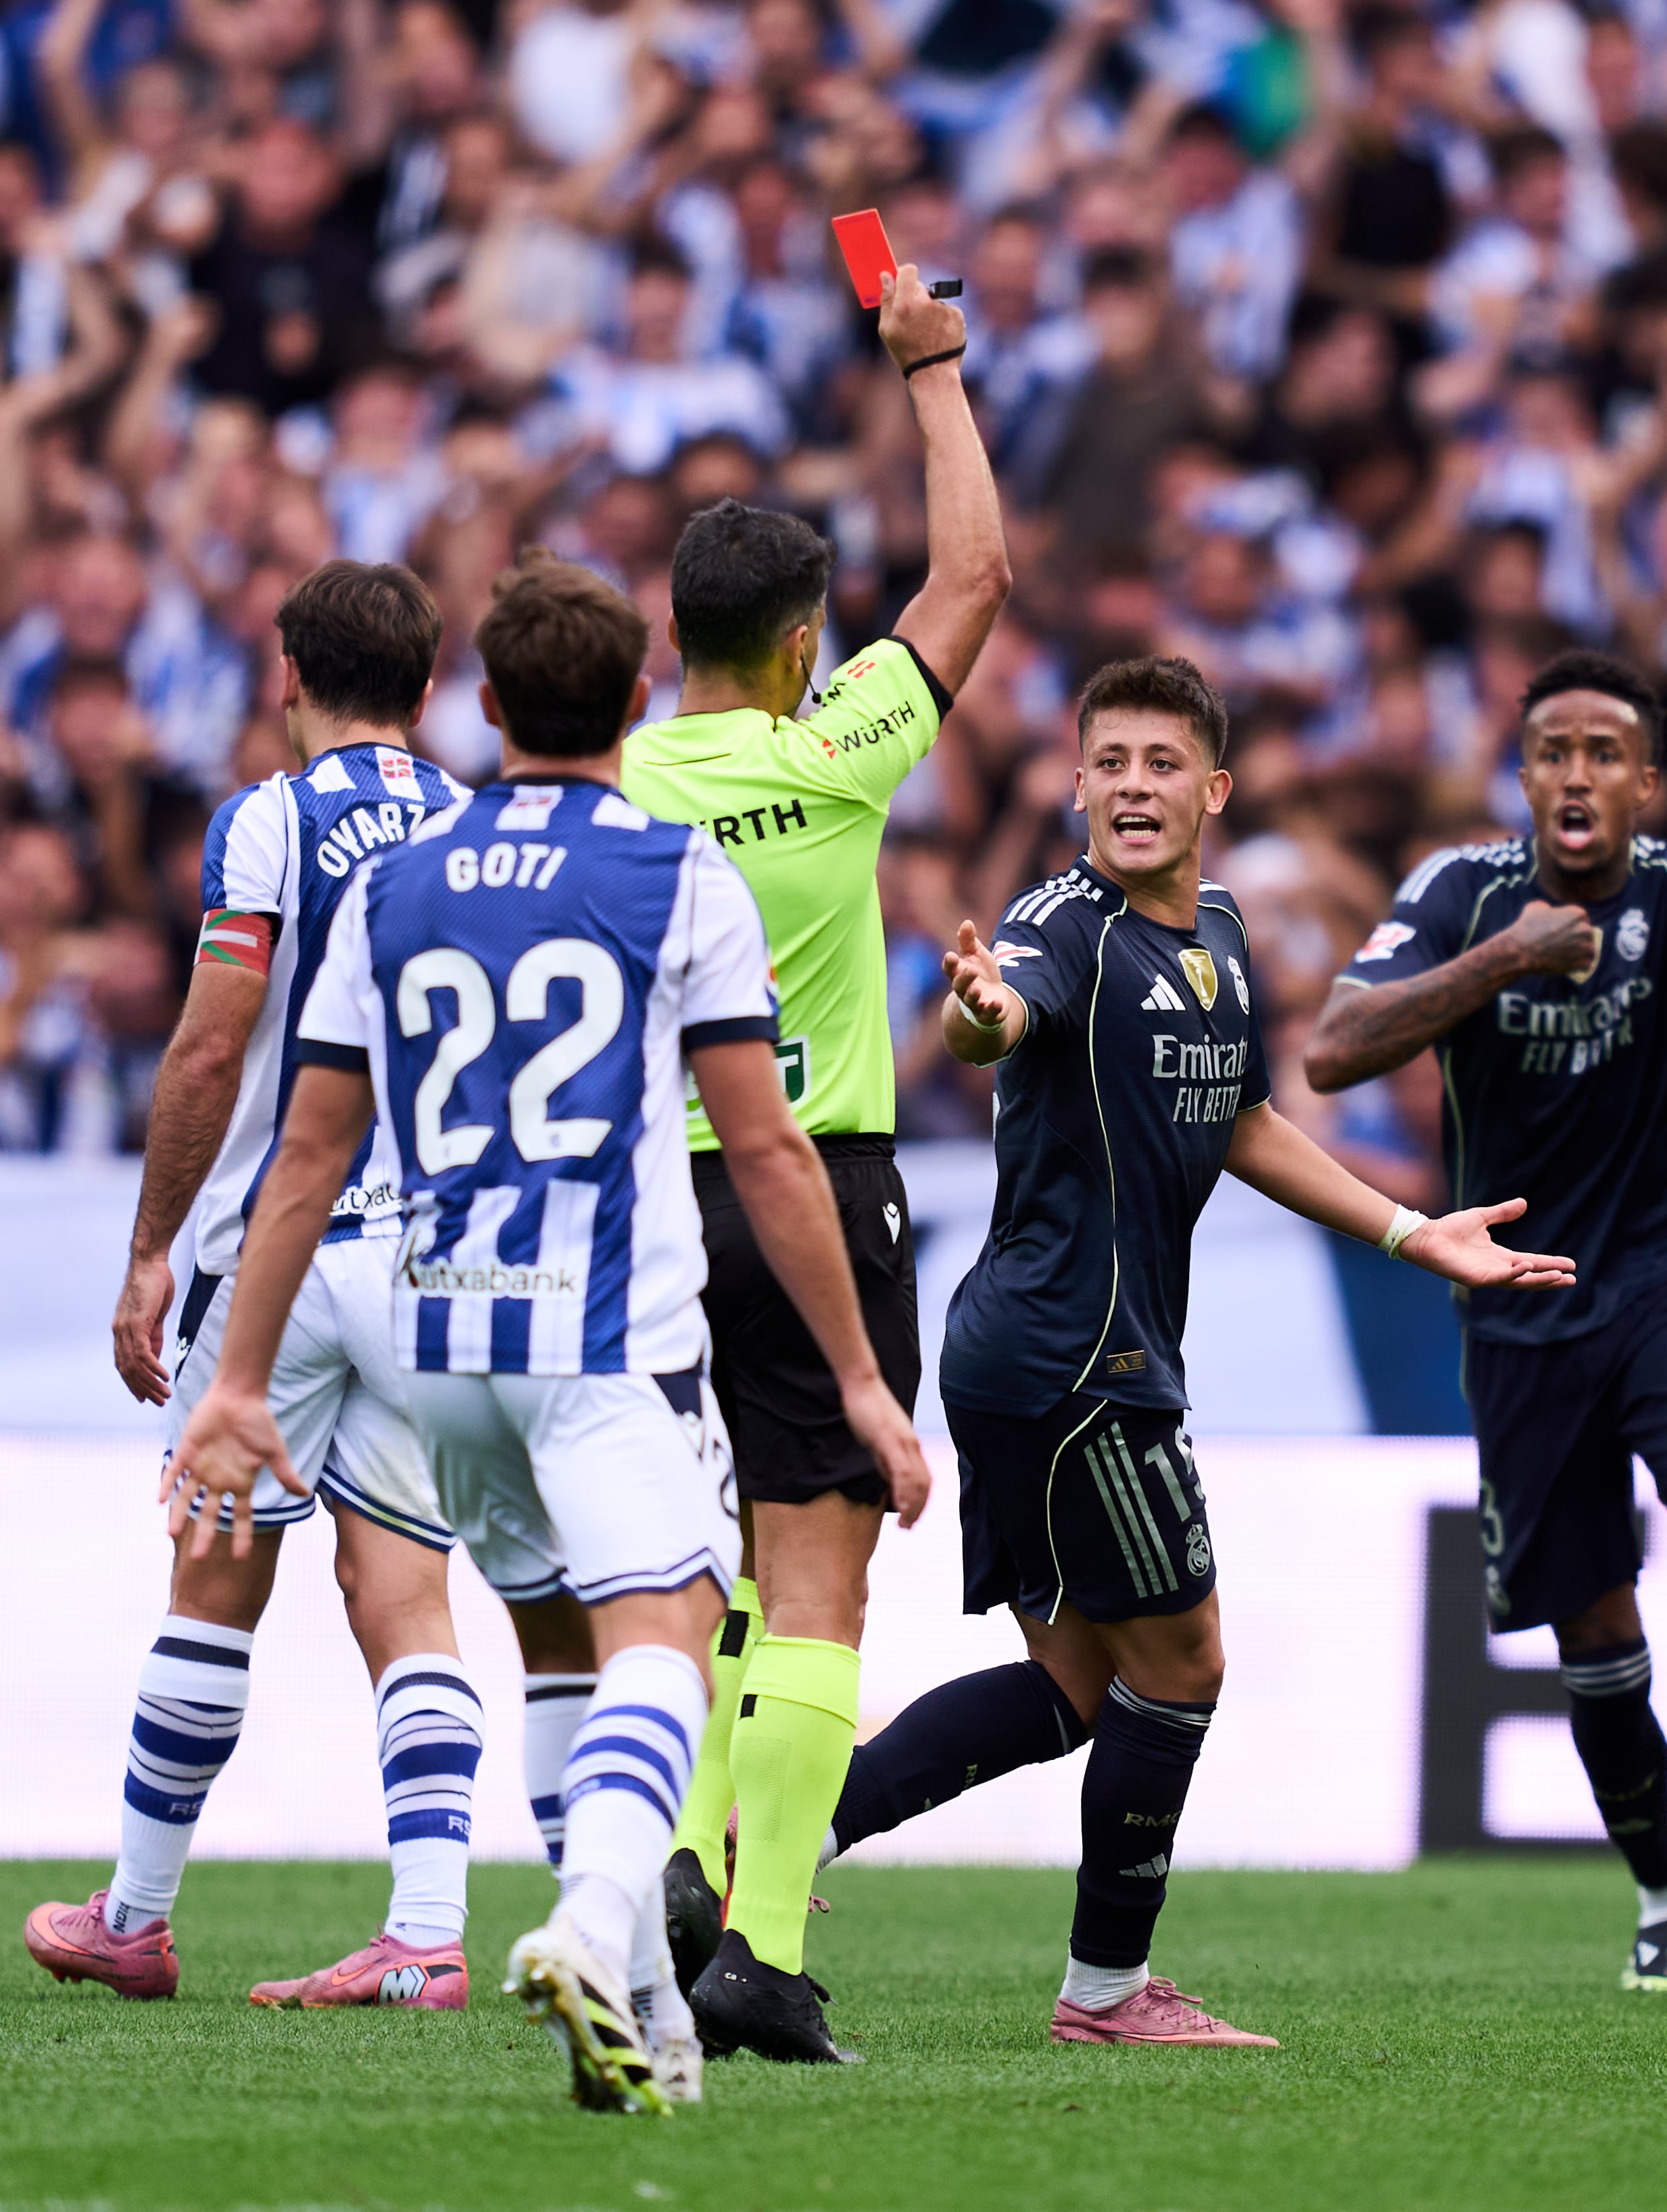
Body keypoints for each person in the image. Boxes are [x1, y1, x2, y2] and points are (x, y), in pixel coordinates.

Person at [166, 553, 925, 2115]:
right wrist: (858, 1375)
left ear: (491, 707)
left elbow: (305, 1154)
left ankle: (650, 2017)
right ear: (637, 701)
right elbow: (770, 1150)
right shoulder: (673, 868)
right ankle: (589, 1922)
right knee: (673, 1626)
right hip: (600, 1333)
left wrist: (236, 1379)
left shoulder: (395, 879)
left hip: (440, 1341)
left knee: (572, 1664)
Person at [809, 653, 1571, 2050]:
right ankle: (1105, 1995)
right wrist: (979, 1007)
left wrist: (1413, 1231)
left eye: (1161, 764)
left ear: (1212, 790)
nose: (1132, 787)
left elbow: (1243, 1121)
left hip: (1049, 1350)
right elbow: (1003, 1009)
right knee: (1188, 1661)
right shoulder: (1065, 924)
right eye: (1108, 763)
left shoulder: (1214, 932)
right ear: (1077, 784)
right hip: (1072, 1356)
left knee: (1074, 1687)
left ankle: (790, 1835)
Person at [1301, 649, 1667, 1998]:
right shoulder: (1461, 894)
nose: (1576, 774)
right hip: (1519, 1310)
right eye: (1551, 751)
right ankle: (1661, 1886)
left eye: (1602, 752)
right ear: (1522, 779)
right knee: (1597, 1635)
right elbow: (1333, 1049)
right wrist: (1503, 958)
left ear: (1642, 781)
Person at [617, 262, 1007, 2065]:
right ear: (798, 647)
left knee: (734, 1582)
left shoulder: (616, 781)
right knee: (827, 1571)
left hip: (651, 1203)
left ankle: (694, 1854)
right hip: (823, 1185)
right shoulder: (832, 752)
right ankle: (761, 1944)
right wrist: (931, 372)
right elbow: (978, 581)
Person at [25, 561, 479, 2011]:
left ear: (287, 673)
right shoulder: (481, 825)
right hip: (431, 1257)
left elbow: (214, 1047)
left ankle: (137, 1916)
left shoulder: (270, 824)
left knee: (218, 1576)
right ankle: (424, 1931)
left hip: (280, 1255)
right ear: (423, 688)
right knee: (404, 1588)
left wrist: (153, 1244)